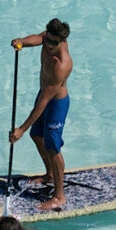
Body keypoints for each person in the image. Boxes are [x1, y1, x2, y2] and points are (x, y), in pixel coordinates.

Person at [9, 18, 72, 211]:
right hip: (44, 96)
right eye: (49, 41)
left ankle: (59, 196)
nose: (50, 45)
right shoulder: (47, 38)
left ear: (62, 41)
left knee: (52, 146)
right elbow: (38, 38)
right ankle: (50, 175)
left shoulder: (61, 65)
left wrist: (20, 129)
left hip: (56, 104)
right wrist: (22, 42)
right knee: (37, 136)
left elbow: (43, 103)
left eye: (55, 43)